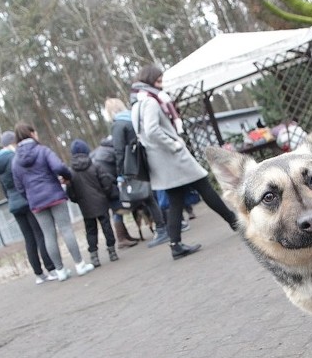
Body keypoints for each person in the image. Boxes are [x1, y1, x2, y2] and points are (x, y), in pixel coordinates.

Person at [131, 65, 238, 260]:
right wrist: (174, 145)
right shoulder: (151, 102)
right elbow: (152, 130)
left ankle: (175, 244)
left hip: (163, 162)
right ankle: (234, 222)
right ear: (150, 80)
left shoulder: (137, 103)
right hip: (172, 158)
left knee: (175, 199)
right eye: (158, 80)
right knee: (204, 185)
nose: (161, 84)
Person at [11, 122, 95, 280]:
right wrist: (67, 177)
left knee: (48, 235)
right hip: (54, 195)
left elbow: (19, 187)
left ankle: (61, 271)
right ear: (31, 133)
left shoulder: (15, 161)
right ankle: (80, 265)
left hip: (36, 202)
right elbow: (58, 167)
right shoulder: (42, 150)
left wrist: (30, 197)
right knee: (66, 229)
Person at [0, 131, 57, 284]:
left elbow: (4, 187)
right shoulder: (14, 157)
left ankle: (38, 274)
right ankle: (51, 268)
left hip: (14, 204)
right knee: (39, 234)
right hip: (26, 200)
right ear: (12, 143)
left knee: (29, 239)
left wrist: (10, 200)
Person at [105, 97, 171, 247]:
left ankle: (162, 228)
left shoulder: (118, 125)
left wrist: (121, 173)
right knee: (153, 194)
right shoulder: (133, 119)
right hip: (146, 159)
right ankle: (169, 223)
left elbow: (119, 151)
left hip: (133, 166)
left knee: (147, 198)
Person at [66, 139, 118, 268]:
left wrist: (78, 200)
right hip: (101, 202)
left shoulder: (70, 172)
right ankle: (112, 251)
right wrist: (105, 195)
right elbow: (106, 183)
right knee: (107, 226)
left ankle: (94, 256)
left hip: (85, 206)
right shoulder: (95, 166)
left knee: (90, 230)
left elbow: (71, 193)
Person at [89, 135, 139, 249]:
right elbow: (121, 166)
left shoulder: (99, 150)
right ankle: (121, 238)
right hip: (108, 184)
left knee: (117, 209)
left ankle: (125, 236)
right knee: (118, 210)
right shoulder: (113, 150)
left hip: (99, 184)